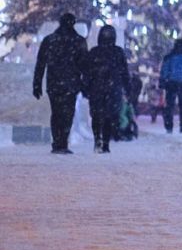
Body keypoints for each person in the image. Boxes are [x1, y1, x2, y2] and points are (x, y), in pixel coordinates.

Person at [32, 12, 88, 155]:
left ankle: (57, 143)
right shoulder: (79, 41)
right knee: (67, 113)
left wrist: (37, 84)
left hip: (54, 83)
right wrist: (84, 84)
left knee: (56, 113)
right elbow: (84, 65)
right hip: (71, 83)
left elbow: (40, 64)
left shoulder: (49, 40)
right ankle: (62, 142)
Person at [84, 24, 131, 154]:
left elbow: (87, 72)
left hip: (96, 89)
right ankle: (105, 142)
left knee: (97, 115)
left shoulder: (94, 52)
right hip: (113, 89)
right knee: (109, 116)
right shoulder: (118, 52)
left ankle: (97, 138)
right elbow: (124, 72)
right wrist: (128, 88)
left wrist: (85, 88)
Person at [160, 38, 182, 133]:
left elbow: (164, 71)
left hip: (171, 83)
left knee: (169, 106)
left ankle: (169, 126)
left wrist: (162, 82)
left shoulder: (169, 57)